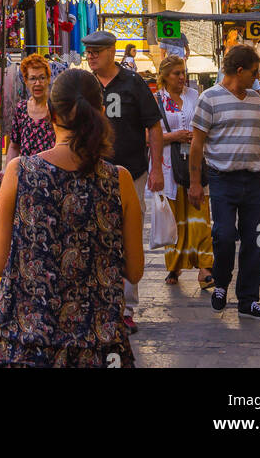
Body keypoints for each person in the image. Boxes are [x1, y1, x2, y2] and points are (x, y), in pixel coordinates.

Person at [0, 67, 143, 368]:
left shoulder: (19, 172)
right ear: (100, 111)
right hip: (97, 345)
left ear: (51, 114)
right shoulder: (119, 180)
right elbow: (134, 272)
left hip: (27, 342)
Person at [189, 44, 260, 321]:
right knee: (223, 236)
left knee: (255, 239)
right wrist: (195, 183)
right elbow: (197, 145)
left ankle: (248, 300)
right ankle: (221, 284)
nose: (256, 78)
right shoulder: (208, 99)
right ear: (239, 71)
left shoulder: (257, 101)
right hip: (222, 180)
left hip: (254, 181)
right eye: (253, 72)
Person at [83, 28, 162, 333]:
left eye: (96, 52)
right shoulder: (85, 86)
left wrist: (157, 170)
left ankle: (127, 306)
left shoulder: (133, 83)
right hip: (92, 173)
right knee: (95, 236)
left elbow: (153, 126)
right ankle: (101, 302)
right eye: (88, 52)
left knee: (128, 235)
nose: (91, 57)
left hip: (131, 172)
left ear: (111, 51)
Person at [153, 55, 214, 289]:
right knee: (175, 216)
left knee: (199, 212)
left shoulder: (193, 96)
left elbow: (203, 123)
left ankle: (205, 266)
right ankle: (175, 264)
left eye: (183, 72)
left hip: (194, 161)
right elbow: (150, 135)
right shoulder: (157, 100)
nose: (182, 77)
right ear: (165, 76)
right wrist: (174, 136)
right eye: (176, 73)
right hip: (169, 163)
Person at [9, 53, 55, 159]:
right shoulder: (21, 108)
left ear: (48, 79)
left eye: (42, 78)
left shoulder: (55, 107)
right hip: (26, 173)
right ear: (26, 81)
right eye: (32, 79)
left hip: (51, 172)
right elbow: (14, 146)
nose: (37, 83)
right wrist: (8, 170)